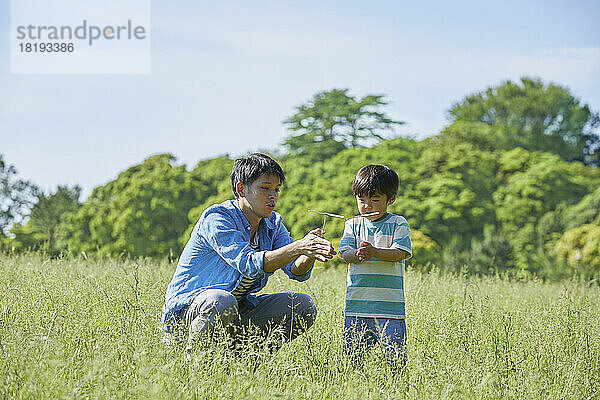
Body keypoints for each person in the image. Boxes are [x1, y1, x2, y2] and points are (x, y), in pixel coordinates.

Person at [162, 153, 336, 352]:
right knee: (221, 300)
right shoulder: (217, 218)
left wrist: (309, 253)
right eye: (265, 188)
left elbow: (296, 271)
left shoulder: (273, 223)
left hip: (235, 310)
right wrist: (299, 246)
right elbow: (249, 263)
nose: (273, 196)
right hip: (189, 316)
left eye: (277, 189)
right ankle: (195, 368)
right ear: (241, 189)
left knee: (302, 306)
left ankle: (245, 366)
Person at [338, 164, 412, 365]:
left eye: (375, 200)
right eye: (361, 200)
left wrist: (374, 252)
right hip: (357, 307)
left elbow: (401, 253)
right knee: (352, 362)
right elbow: (344, 253)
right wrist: (358, 255)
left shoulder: (398, 223)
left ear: (391, 199)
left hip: (390, 308)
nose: (367, 206)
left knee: (395, 361)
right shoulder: (353, 224)